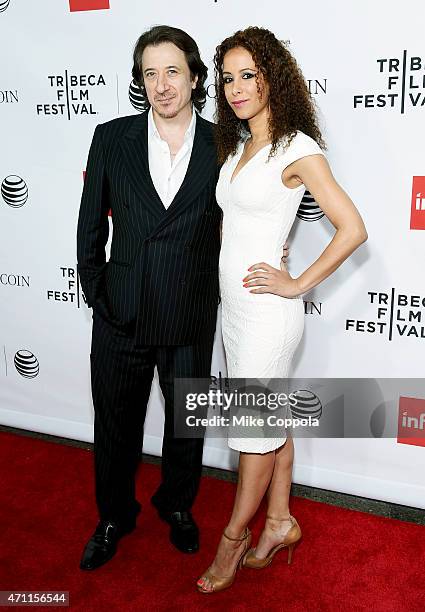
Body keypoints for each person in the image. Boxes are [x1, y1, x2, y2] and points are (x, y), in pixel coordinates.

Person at [196, 26, 368, 593]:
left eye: (249, 75)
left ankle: (232, 540)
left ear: (274, 78)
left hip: (269, 316)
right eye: (227, 78)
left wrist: (296, 283)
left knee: (251, 432)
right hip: (238, 311)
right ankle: (279, 522)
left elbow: (352, 229)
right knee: (269, 423)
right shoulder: (243, 145)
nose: (236, 87)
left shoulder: (297, 147)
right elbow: (246, 220)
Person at [76, 25, 223, 570]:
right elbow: (90, 225)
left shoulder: (223, 144)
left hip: (188, 311)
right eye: (150, 73)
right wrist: (98, 293)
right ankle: (113, 514)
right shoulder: (111, 137)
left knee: (187, 421)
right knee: (115, 422)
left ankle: (177, 505)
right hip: (122, 313)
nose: (161, 85)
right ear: (141, 81)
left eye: (172, 71)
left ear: (194, 77)